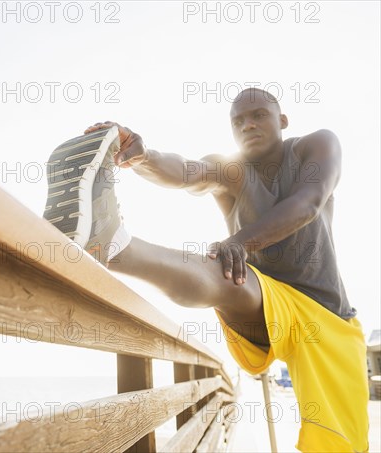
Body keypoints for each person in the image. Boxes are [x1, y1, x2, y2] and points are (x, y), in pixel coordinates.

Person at [43, 88, 369, 452]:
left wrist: (241, 242)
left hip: (329, 318)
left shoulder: (316, 146)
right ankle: (114, 246)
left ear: (282, 120)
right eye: (238, 121)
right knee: (226, 275)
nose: (247, 125)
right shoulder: (231, 169)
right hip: (265, 301)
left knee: (343, 445)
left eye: (258, 115)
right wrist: (142, 155)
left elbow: (307, 202)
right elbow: (186, 171)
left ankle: (113, 245)